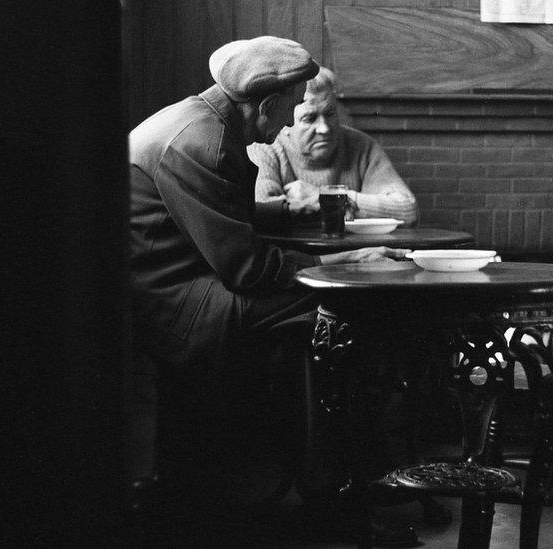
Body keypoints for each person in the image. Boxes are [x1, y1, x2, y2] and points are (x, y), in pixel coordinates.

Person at [127, 37, 415, 545]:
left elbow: (218, 216)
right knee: (344, 301)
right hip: (175, 306)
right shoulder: (203, 141)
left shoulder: (198, 120)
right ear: (264, 104)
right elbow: (246, 269)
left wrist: (288, 210)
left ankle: (327, 488)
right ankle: (343, 491)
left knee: (313, 334)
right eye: (291, 107)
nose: (288, 122)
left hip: (179, 287)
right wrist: (343, 259)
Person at [249, 66, 419, 227]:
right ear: (286, 122)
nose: (324, 128)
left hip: (358, 252)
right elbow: (263, 216)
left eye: (330, 114)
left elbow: (408, 210)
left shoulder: (361, 145)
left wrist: (324, 197)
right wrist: (345, 208)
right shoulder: (264, 148)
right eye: (310, 118)